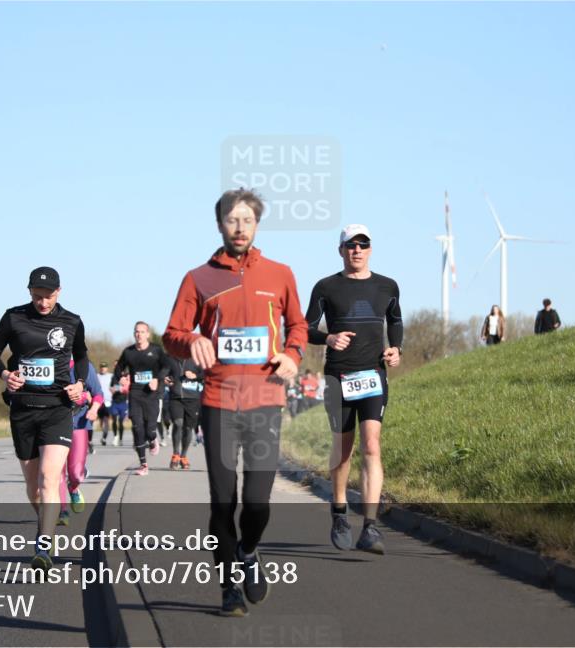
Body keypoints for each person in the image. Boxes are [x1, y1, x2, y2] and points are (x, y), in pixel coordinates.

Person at [164, 188, 307, 617]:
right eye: (231, 219)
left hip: (265, 400)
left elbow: (297, 325)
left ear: (257, 225)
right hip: (219, 400)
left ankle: (248, 551)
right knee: (223, 500)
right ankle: (228, 587)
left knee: (259, 502)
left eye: (247, 219)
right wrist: (192, 341)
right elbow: (171, 334)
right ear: (219, 224)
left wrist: (293, 354)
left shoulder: (280, 274)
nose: (239, 227)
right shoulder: (198, 278)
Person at [305, 224, 402, 555]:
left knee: (372, 446)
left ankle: (371, 527)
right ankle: (339, 512)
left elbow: (396, 321)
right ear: (341, 250)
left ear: (371, 249)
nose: (357, 250)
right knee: (342, 450)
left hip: (374, 375)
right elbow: (306, 328)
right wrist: (328, 338)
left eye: (363, 244)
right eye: (351, 245)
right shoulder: (326, 286)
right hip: (338, 377)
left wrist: (396, 349)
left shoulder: (387, 286)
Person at [0, 266, 88, 571]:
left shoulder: (71, 322)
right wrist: (4, 374)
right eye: (37, 296)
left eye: (48, 296)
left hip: (57, 408)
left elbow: (81, 356)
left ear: (59, 291)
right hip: (23, 409)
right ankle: (47, 522)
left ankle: (43, 546)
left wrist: (80, 383)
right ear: (29, 292)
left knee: (49, 478)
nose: (42, 302)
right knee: (34, 488)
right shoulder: (14, 317)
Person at [111, 321, 169, 475]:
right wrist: (120, 378)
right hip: (135, 393)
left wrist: (157, 379)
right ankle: (143, 465)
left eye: (142, 332)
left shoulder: (156, 350)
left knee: (150, 429)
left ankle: (153, 438)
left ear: (147, 334)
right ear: (134, 334)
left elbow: (166, 366)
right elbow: (118, 368)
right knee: (137, 428)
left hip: (151, 394)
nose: (139, 334)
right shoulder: (129, 352)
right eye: (136, 331)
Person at [57, 359, 103, 526]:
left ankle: (74, 488)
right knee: (58, 472)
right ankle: (62, 511)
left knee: (76, 473)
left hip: (79, 423)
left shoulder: (83, 366)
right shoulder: (50, 364)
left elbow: (98, 394)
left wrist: (93, 408)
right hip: (55, 424)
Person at [165, 355, 204, 470]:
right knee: (178, 423)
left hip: (192, 399)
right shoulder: (170, 358)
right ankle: (175, 454)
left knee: (188, 428)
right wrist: (165, 379)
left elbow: (206, 374)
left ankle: (183, 456)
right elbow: (162, 372)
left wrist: (195, 376)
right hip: (176, 398)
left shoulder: (197, 359)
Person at [108, 373, 130, 446]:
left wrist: (119, 388)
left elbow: (128, 388)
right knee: (114, 419)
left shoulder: (127, 377)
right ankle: (115, 436)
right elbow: (111, 388)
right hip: (115, 402)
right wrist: (114, 389)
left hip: (123, 402)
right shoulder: (114, 377)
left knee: (121, 421)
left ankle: (120, 439)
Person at [96, 362, 113, 445]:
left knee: (106, 419)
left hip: (108, 401)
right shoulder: (96, 376)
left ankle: (104, 437)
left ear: (107, 368)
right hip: (99, 401)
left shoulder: (111, 376)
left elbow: (116, 385)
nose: (103, 368)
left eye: (105, 367)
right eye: (102, 367)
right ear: (100, 368)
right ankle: (103, 432)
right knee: (101, 420)